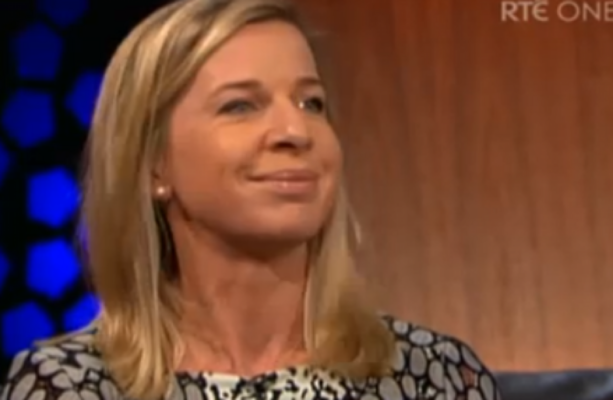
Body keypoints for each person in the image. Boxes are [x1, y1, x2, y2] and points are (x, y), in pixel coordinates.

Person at [0, 0, 501, 399]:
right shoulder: (68, 386)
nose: (294, 130)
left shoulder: (435, 376)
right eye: (240, 105)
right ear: (154, 164)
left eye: (311, 102)